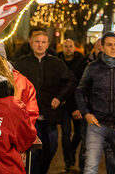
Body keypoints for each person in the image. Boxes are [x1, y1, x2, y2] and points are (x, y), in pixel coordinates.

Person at [15, 28, 78, 174]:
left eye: (43, 42)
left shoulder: (56, 63)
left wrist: (59, 97)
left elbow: (70, 80)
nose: (40, 45)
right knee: (34, 150)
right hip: (30, 115)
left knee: (52, 146)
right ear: (31, 43)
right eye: (37, 41)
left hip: (50, 113)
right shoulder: (22, 64)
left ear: (47, 44)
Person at [75, 32, 115, 174]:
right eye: (109, 45)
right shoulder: (93, 68)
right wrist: (86, 114)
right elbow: (79, 91)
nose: (113, 48)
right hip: (97, 124)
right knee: (90, 166)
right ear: (102, 47)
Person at [57, 38, 88, 172]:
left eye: (71, 46)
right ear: (62, 48)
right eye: (66, 46)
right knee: (65, 134)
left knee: (79, 133)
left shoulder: (81, 62)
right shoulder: (57, 61)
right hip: (63, 103)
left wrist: (77, 106)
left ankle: (71, 151)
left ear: (74, 47)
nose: (68, 48)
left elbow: (79, 85)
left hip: (75, 103)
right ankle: (68, 161)